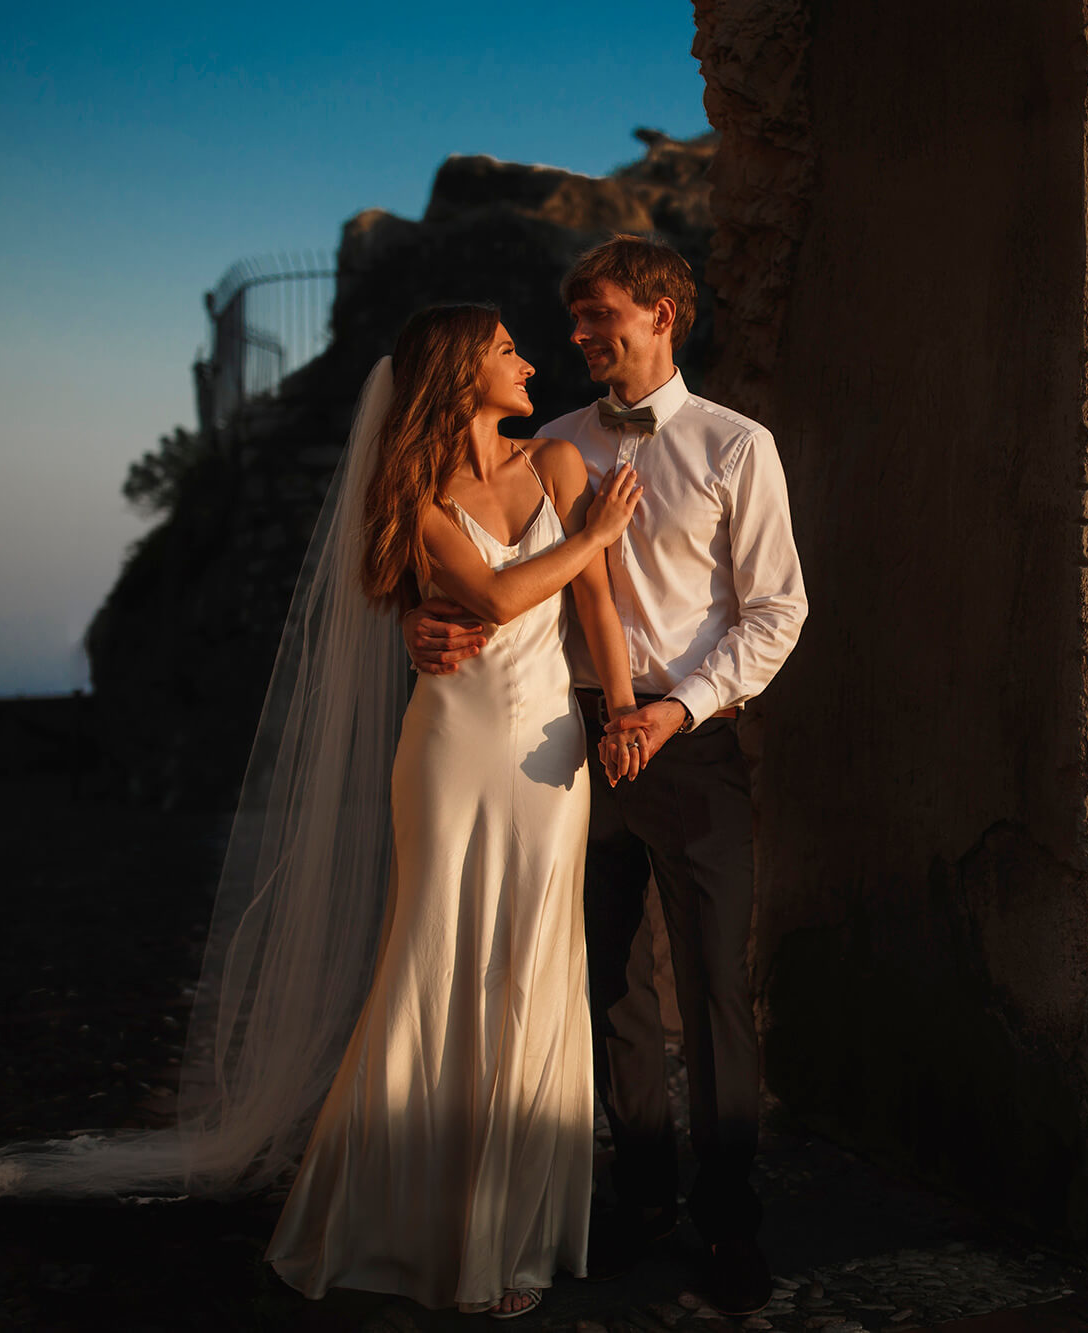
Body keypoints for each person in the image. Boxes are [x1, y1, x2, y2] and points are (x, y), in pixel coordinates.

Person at [0, 305, 648, 1323]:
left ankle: (513, 1228)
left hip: (547, 757)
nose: (527, 360)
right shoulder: (415, 493)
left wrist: (619, 714)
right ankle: (395, 1216)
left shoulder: (560, 466)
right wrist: (598, 537)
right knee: (431, 964)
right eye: (504, 350)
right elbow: (488, 596)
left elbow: (597, 610)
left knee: (530, 966)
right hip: (449, 750)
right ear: (457, 373)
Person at [403, 236, 807, 1317]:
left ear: (663, 312)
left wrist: (671, 709)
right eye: (573, 321)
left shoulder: (736, 446)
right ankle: (637, 1200)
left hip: (691, 743)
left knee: (714, 989)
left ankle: (726, 1222)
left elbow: (777, 613)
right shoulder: (552, 446)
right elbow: (479, 554)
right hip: (560, 741)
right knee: (610, 988)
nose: (579, 338)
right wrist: (423, 622)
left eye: (601, 319)